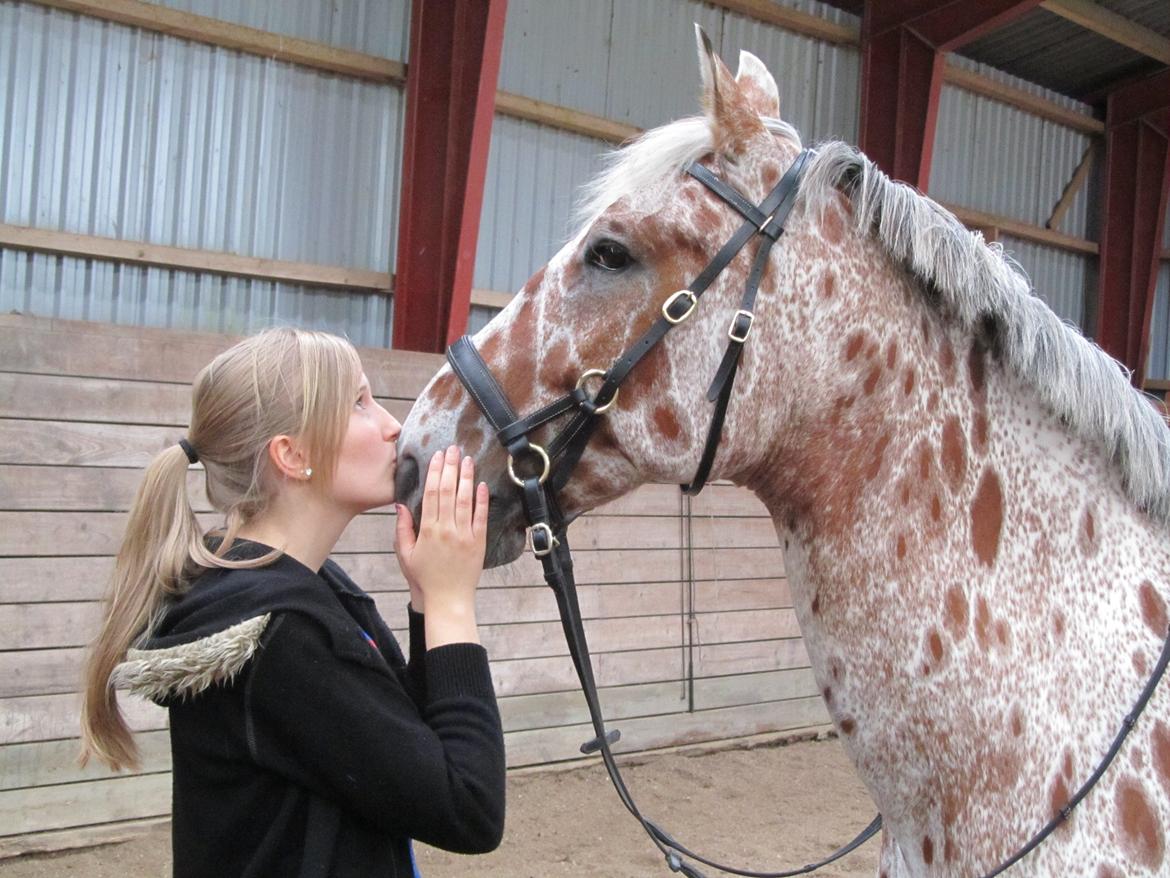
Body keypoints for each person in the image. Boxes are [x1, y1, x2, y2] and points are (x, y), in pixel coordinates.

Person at [80, 327, 505, 878]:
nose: (392, 426)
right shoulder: (280, 628)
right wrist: (452, 604)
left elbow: (407, 750)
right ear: (292, 453)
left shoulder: (310, 590)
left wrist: (426, 597)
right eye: (359, 403)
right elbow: (467, 806)